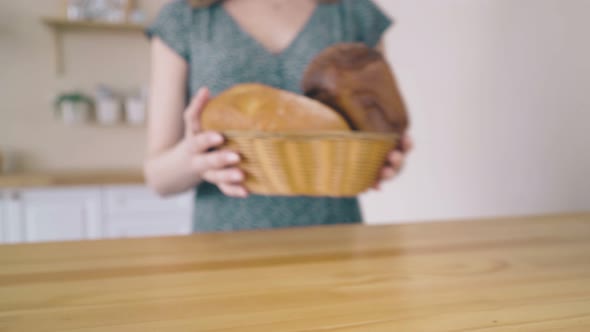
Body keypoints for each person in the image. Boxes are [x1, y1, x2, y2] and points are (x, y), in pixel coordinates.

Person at [144, 0, 413, 232]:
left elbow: (380, 126)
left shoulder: (353, 13)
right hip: (223, 247)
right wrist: (193, 159)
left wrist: (387, 159)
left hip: (335, 239)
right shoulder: (185, 18)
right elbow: (158, 179)